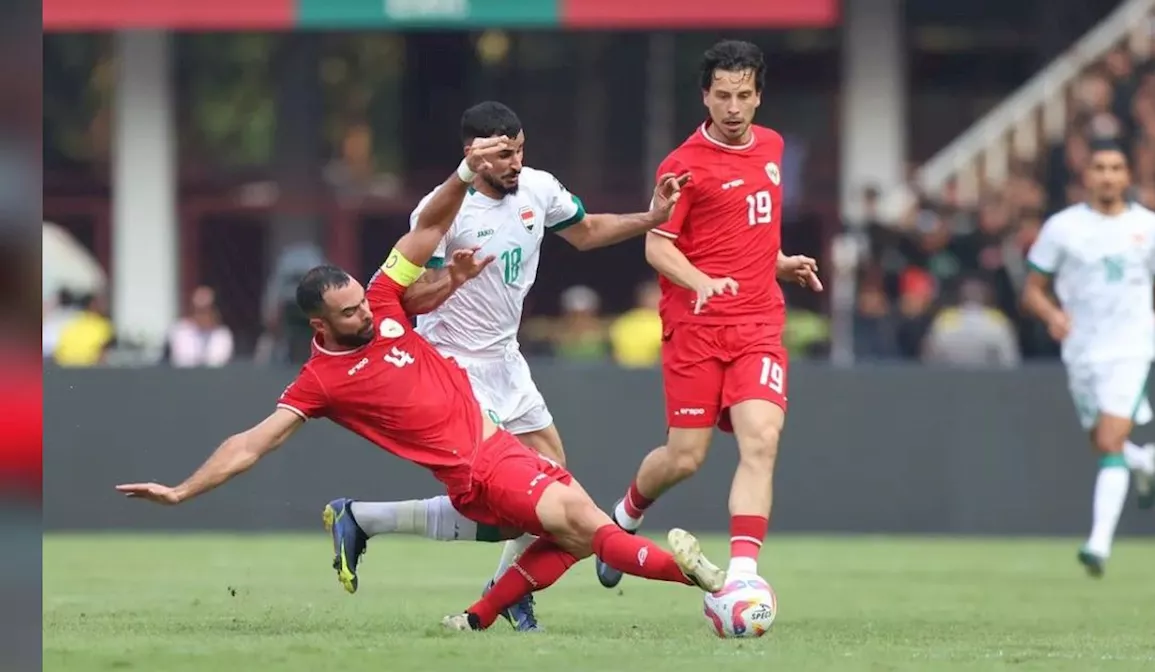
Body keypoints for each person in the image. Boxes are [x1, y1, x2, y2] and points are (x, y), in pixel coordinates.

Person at [115, 136, 725, 632]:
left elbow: (425, 231)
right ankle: (703, 581)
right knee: (588, 527)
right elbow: (252, 442)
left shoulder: (381, 299)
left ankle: (474, 611)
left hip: (493, 446)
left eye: (361, 300)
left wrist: (463, 175)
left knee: (564, 533)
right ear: (319, 323)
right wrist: (182, 491)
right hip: (480, 467)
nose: (367, 313)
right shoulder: (320, 381)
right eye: (350, 313)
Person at [329, 101, 691, 631]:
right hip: (453, 368)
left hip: (506, 360)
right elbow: (402, 301)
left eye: (518, 149)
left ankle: (364, 520)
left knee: (554, 484)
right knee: (516, 505)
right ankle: (504, 592)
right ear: (472, 154)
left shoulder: (539, 188)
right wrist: (450, 279)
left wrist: (652, 218)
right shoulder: (444, 209)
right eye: (502, 153)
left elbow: (587, 231)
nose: (514, 161)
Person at [595, 40, 822, 589]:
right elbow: (657, 246)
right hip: (694, 328)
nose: (734, 107)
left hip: (758, 325)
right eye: (722, 95)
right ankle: (623, 519)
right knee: (685, 456)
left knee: (761, 438)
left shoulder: (771, 147)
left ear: (759, 96)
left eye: (743, 95)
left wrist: (779, 262)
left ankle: (744, 575)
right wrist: (699, 281)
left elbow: (749, 234)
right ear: (706, 96)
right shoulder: (682, 166)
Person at [1022, 139, 1155, 578]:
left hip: (1132, 345)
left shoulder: (1149, 227)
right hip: (1082, 349)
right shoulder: (1062, 228)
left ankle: (1098, 544)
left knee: (1110, 442)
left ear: (1128, 176)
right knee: (1102, 440)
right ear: (1087, 176)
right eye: (1100, 168)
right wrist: (1052, 315)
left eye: (1116, 167)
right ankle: (1144, 461)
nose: (1108, 176)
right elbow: (1032, 290)